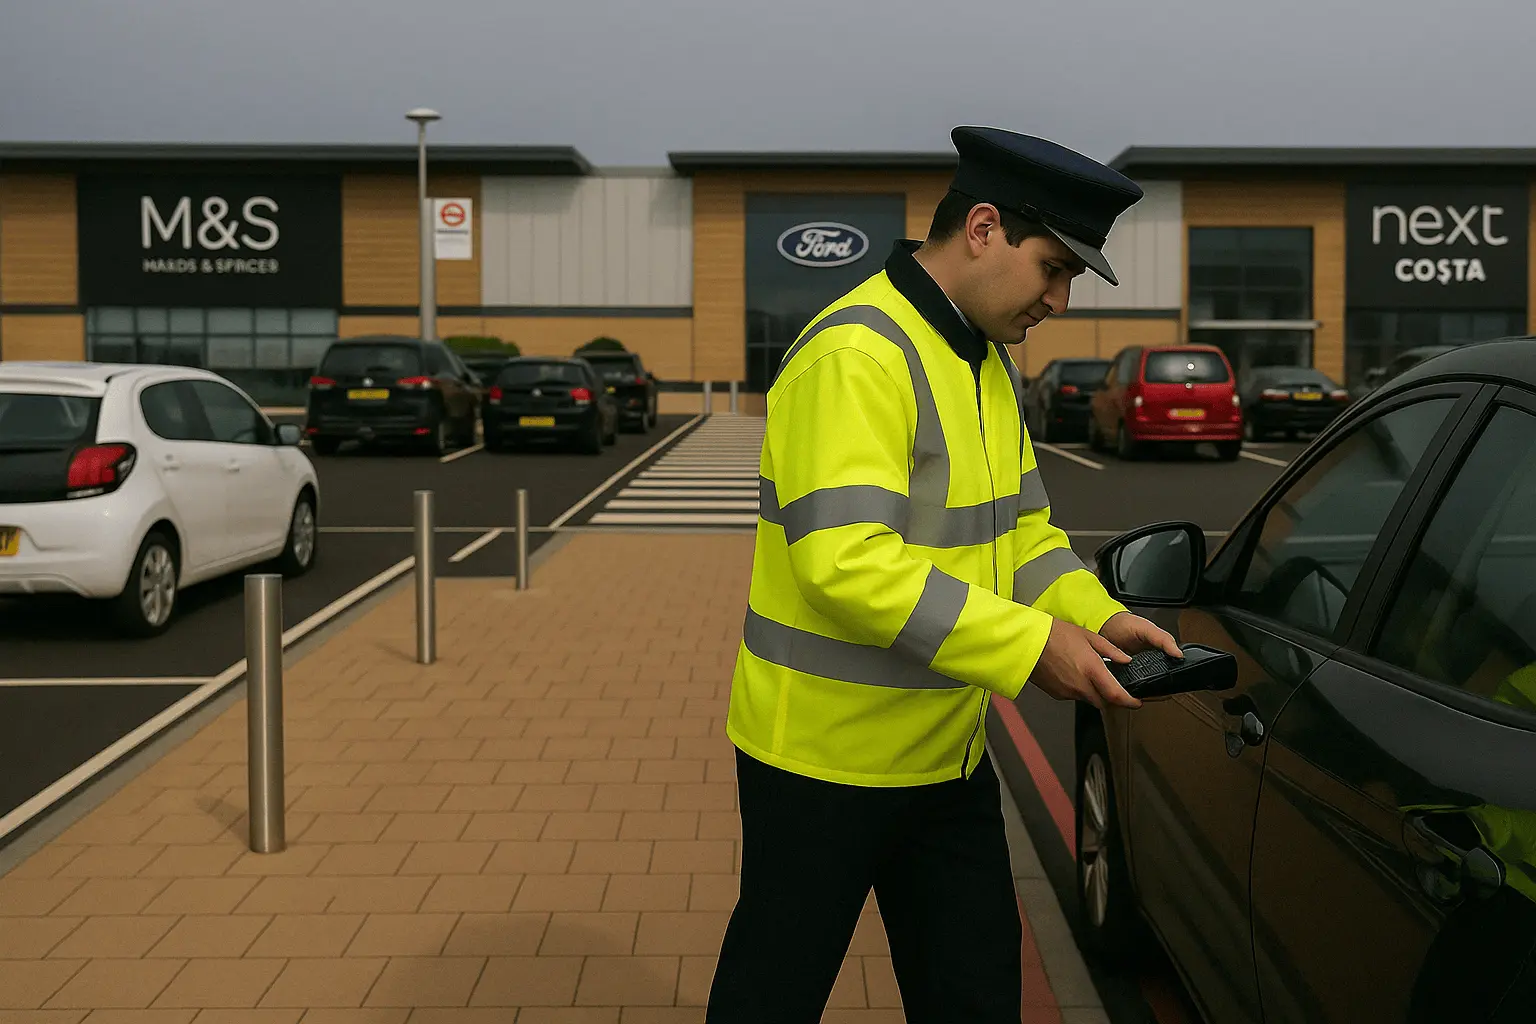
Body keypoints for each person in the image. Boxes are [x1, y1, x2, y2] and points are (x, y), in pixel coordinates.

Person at [705, 126, 1183, 1023]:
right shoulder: (856, 353)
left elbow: (1024, 536)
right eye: (1053, 268)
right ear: (984, 228)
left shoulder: (985, 363)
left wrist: (1101, 615)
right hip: (821, 764)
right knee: (773, 993)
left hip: (946, 757)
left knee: (973, 992)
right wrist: (1033, 646)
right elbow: (845, 563)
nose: (1060, 299)